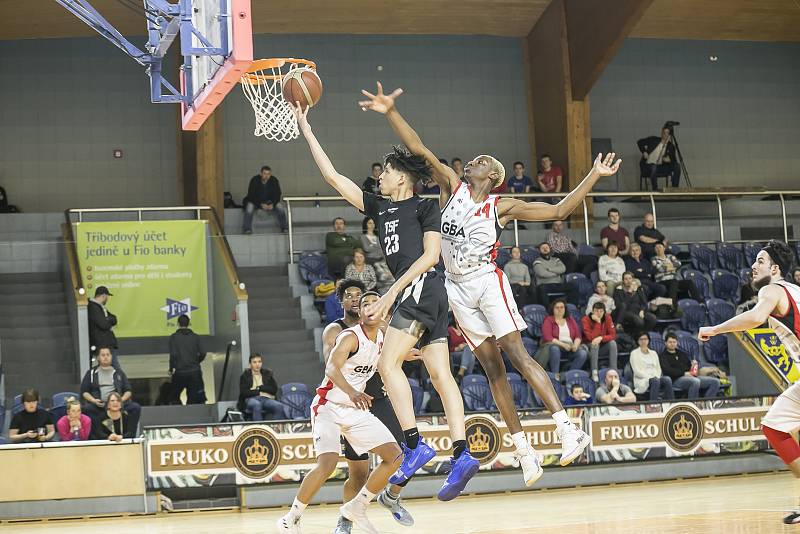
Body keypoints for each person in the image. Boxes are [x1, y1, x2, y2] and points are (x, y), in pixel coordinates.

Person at [359, 84, 619, 480]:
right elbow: (419, 149)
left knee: (517, 354)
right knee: (492, 369)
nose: (473, 161)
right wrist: (391, 112)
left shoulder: (502, 205)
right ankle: (524, 449)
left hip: (485, 281)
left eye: (481, 160)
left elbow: (560, 209)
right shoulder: (450, 186)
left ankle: (567, 428)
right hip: (454, 288)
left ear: (493, 175)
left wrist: (594, 176)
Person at [293, 102, 479, 502]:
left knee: (385, 362)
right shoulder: (379, 206)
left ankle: (413, 443)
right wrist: (306, 130)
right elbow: (332, 176)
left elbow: (432, 256)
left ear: (406, 180)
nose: (382, 175)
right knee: (439, 374)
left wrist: (393, 293)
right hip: (429, 294)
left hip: (421, 287)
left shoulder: (425, 205)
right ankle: (462, 452)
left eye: (390, 171)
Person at [277, 291, 403, 534]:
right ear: (361, 313)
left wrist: (414, 354)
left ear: (383, 310)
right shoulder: (349, 337)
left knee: (395, 457)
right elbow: (332, 368)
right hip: (328, 406)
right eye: (364, 304)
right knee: (328, 464)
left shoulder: (382, 340)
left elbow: (390, 358)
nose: (368, 307)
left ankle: (357, 506)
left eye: (374, 303)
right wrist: (352, 392)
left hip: (354, 410)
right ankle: (291, 517)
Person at [698, 240, 800, 525]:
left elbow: (756, 317)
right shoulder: (795, 290)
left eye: (760, 260)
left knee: (775, 427)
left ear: (776, 269)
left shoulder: (773, 289)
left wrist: (716, 329)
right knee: (775, 425)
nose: (753, 266)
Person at [321, 281, 414, 532]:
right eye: (349, 297)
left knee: (406, 454)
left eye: (360, 296)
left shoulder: (382, 328)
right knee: (359, 471)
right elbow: (330, 367)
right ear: (342, 302)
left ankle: (391, 497)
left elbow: (398, 351)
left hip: (380, 399)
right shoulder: (336, 331)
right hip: (352, 404)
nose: (355, 300)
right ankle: (346, 520)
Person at [80, 346, 141, 434]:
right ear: (98, 358)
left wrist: (120, 400)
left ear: (111, 356)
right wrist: (93, 401)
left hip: (117, 403)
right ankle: (97, 437)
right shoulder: (91, 373)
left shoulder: (118, 372)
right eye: (103, 355)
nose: (105, 357)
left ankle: (130, 435)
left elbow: (128, 390)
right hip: (99, 405)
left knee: (135, 408)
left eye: (108, 355)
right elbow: (84, 392)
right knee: (85, 409)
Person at [659, 333, 719, 399]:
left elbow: (688, 366)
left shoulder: (681, 353)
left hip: (690, 376)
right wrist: (683, 373)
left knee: (715, 382)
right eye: (670, 342)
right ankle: (693, 404)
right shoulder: (663, 356)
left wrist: (692, 366)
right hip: (675, 380)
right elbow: (668, 371)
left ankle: (706, 402)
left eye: (674, 342)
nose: (672, 344)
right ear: (665, 343)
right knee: (695, 382)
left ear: (677, 343)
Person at [539, 299, 588, 376]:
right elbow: (548, 337)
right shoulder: (549, 320)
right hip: (556, 346)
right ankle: (556, 375)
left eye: (562, 307)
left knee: (583, 353)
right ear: (553, 309)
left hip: (570, 347)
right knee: (554, 349)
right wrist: (563, 345)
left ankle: (568, 375)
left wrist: (575, 345)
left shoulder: (570, 319)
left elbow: (578, 335)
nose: (560, 309)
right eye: (557, 307)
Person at [168, 314, 207, 405]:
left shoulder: (174, 337)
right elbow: (203, 353)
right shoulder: (195, 337)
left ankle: (179, 416)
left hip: (180, 372)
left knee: (174, 397)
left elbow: (173, 354)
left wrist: (171, 368)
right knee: (194, 399)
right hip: (194, 372)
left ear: (178, 324)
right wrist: (196, 361)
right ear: (189, 324)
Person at [238, 353, 285, 421]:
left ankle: (277, 429)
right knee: (257, 405)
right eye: (254, 362)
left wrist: (260, 388)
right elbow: (244, 393)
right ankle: (259, 429)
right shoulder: (245, 376)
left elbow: (274, 389)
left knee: (279, 406)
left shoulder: (267, 374)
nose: (257, 364)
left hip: (266, 399)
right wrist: (260, 393)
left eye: (259, 362)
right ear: (250, 364)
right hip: (250, 399)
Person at [242, 165, 288, 234]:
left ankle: (284, 228)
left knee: (280, 207)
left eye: (268, 174)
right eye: (264, 173)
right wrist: (261, 205)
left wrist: (273, 204)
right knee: (249, 207)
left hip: (269, 202)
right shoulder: (254, 180)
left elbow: (278, 194)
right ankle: (247, 229)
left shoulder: (274, 180)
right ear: (261, 174)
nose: (266, 176)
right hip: (256, 201)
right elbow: (251, 195)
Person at [630, 332, 673, 401]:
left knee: (667, 379)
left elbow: (658, 369)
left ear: (648, 340)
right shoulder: (634, 353)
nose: (643, 341)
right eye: (641, 339)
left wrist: (656, 376)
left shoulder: (654, 353)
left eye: (645, 339)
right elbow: (636, 371)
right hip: (642, 379)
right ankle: (653, 404)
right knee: (655, 381)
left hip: (655, 377)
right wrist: (651, 377)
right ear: (637, 341)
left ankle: (671, 402)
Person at [581, 302, 618, 382]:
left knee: (612, 343)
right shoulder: (585, 319)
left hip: (602, 345)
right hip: (588, 346)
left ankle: (614, 370)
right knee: (595, 344)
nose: (599, 313)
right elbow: (591, 338)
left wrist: (601, 338)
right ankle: (594, 372)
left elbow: (613, 335)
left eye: (601, 311)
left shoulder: (607, 318)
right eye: (596, 311)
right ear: (592, 311)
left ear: (604, 312)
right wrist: (598, 322)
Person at [533, 242, 579, 307]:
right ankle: (547, 309)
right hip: (545, 285)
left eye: (546, 247)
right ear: (539, 250)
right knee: (541, 289)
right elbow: (542, 273)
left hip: (558, 284)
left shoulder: (556, 259)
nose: (545, 249)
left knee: (573, 286)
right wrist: (557, 273)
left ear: (550, 249)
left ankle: (571, 307)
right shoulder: (537, 262)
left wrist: (549, 269)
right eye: (543, 248)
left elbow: (563, 269)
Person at [88, 285, 118, 365]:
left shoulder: (100, 307)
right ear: (103, 295)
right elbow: (104, 324)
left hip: (104, 342)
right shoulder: (94, 308)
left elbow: (114, 319)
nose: (107, 299)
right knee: (114, 367)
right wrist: (108, 320)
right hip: (103, 343)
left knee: (107, 367)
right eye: (107, 296)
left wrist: (107, 319)